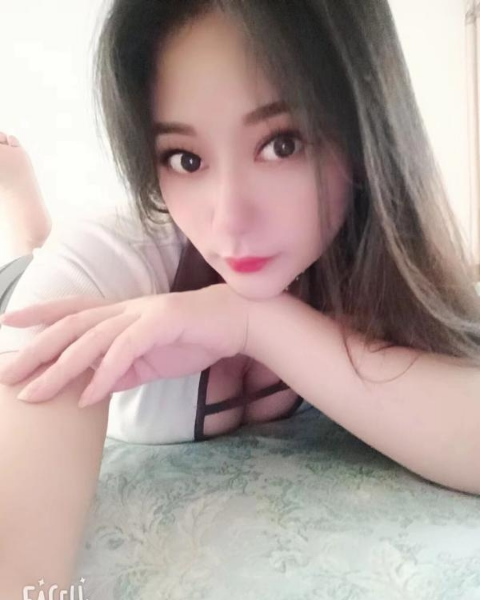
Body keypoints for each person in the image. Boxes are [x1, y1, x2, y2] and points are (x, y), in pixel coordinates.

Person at [1, 0, 480, 593]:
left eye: (282, 144)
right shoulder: (111, 254)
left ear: (363, 137)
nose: (229, 223)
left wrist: (255, 322)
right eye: (186, 159)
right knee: (29, 263)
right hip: (16, 289)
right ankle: (27, 218)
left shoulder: (374, 268)